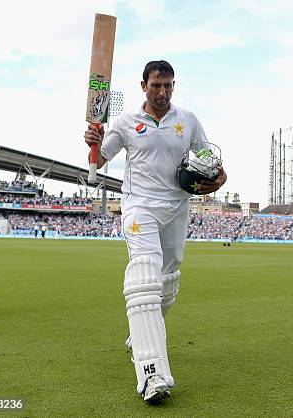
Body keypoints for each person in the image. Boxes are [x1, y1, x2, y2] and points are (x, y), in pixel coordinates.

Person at [84, 60, 226, 403]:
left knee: (168, 278)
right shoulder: (126, 122)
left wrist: (220, 177)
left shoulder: (188, 120)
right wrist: (93, 140)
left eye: (168, 86)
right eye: (156, 86)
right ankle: (151, 374)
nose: (162, 92)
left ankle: (140, 334)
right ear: (143, 85)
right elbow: (99, 159)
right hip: (139, 207)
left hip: (177, 207)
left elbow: (208, 158)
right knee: (145, 276)